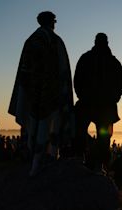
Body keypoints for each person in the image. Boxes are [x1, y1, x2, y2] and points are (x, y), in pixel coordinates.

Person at [8, 11, 73, 176]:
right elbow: (63, 71)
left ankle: (36, 162)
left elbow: (24, 70)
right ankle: (41, 162)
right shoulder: (55, 41)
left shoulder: (31, 41)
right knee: (48, 126)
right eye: (54, 21)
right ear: (51, 22)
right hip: (50, 93)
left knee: (35, 126)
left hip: (33, 92)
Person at [73, 33, 122, 174]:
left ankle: (87, 161)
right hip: (100, 106)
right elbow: (120, 84)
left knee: (87, 133)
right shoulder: (113, 62)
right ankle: (95, 164)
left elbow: (77, 80)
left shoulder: (86, 58)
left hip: (94, 104)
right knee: (99, 136)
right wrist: (113, 99)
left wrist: (82, 96)